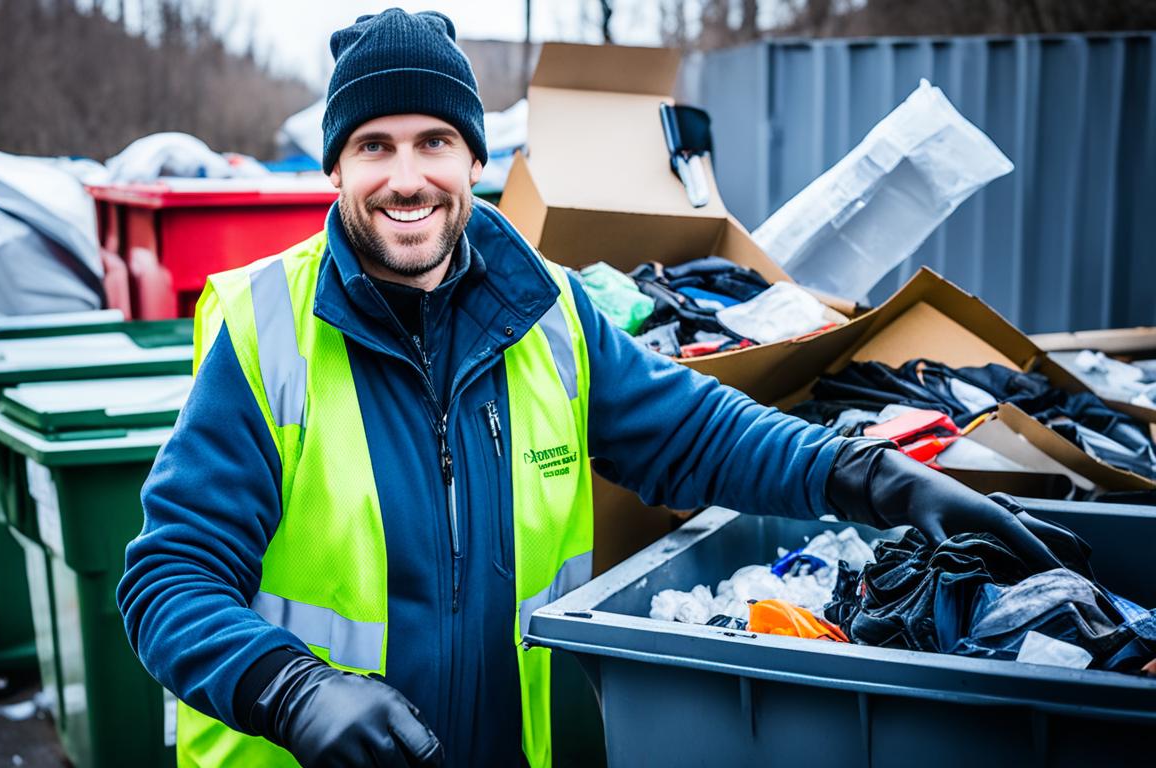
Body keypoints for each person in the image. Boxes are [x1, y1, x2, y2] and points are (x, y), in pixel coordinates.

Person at [117, 9, 1072, 768]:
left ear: (474, 159)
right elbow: (167, 579)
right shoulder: (264, 333)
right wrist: (294, 691)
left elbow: (703, 433)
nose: (406, 178)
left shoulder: (551, 315)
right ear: (334, 165)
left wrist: (876, 480)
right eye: (374, 145)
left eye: (433, 142)